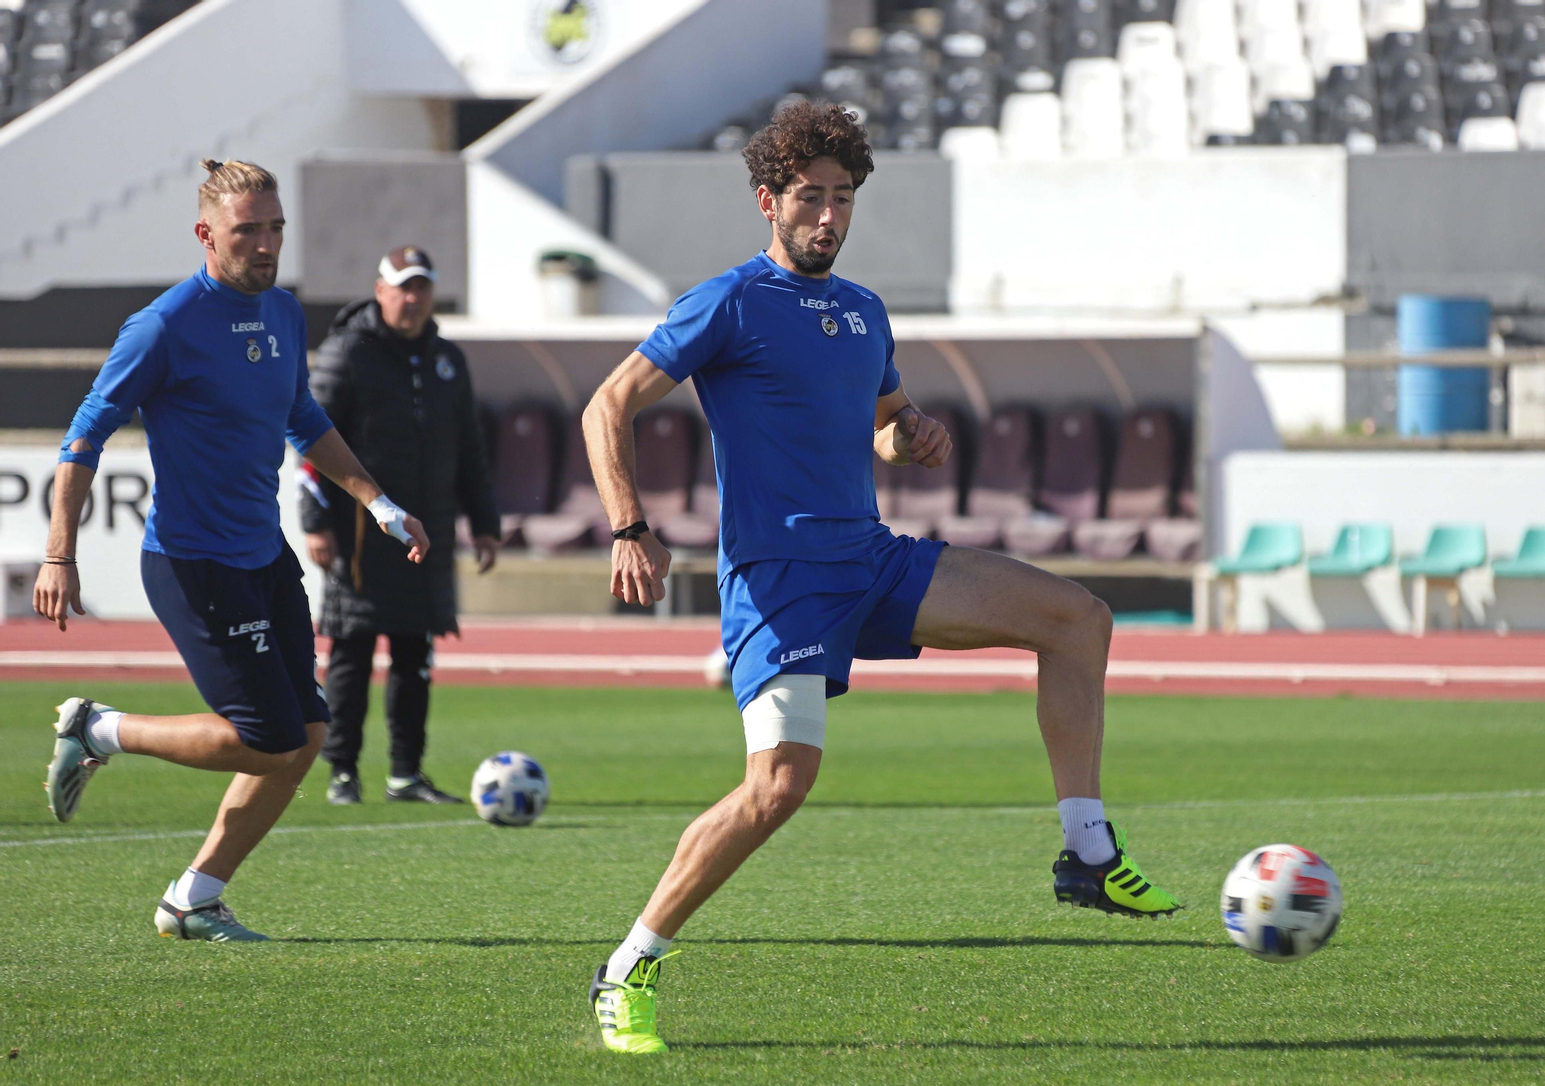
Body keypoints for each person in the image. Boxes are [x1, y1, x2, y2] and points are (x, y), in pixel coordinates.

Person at [580, 102, 1181, 1055]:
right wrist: (628, 526)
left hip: (871, 559)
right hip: (781, 582)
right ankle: (628, 967)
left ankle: (1087, 850)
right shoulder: (728, 302)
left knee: (1078, 619)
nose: (828, 216)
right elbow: (607, 403)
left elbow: (887, 421)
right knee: (778, 787)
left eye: (843, 198)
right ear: (769, 202)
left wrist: (912, 433)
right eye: (809, 198)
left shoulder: (862, 311)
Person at [33, 159, 430, 943]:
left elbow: (303, 419)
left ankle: (194, 898)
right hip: (194, 564)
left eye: (275, 227)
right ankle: (100, 728)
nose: (265, 243)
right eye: (247, 229)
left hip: (265, 557)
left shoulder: (281, 312)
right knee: (265, 738)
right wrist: (58, 553)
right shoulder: (165, 324)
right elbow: (82, 441)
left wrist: (379, 504)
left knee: (305, 740)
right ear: (206, 234)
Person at [300, 246, 500, 806]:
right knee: (352, 653)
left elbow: (469, 448)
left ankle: (405, 774)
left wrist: (484, 522)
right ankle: (343, 771)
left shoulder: (447, 359)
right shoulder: (347, 352)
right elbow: (310, 442)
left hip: (427, 530)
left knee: (416, 655)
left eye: (421, 288)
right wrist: (317, 521)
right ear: (380, 290)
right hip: (361, 531)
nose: (412, 299)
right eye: (402, 288)